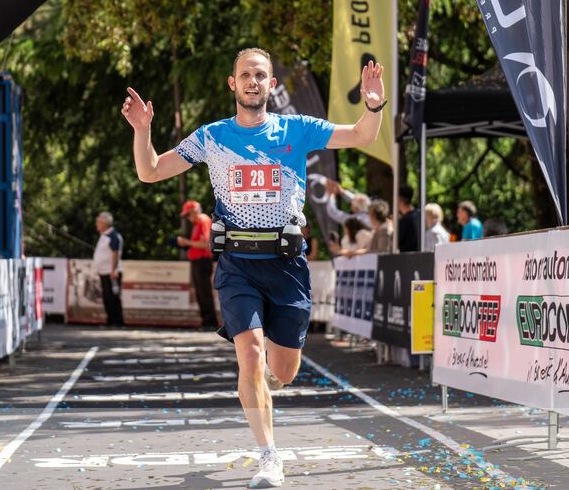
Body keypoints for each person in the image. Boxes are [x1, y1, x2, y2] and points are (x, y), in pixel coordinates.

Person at [122, 47, 385, 488]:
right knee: (249, 353)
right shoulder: (212, 137)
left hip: (286, 266)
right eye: (245, 74)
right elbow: (149, 171)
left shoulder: (297, 129)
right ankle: (269, 456)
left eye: (260, 75)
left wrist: (373, 105)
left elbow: (362, 136)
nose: (252, 81)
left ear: (271, 85)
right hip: (237, 265)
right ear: (233, 83)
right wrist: (143, 131)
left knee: (284, 371)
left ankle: (267, 378)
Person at [177, 199, 218, 330]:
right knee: (200, 292)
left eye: (188, 215)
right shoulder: (197, 223)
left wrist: (186, 242)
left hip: (202, 260)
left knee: (204, 292)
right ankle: (206, 321)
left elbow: (206, 244)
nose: (188, 218)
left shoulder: (203, 220)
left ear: (194, 211)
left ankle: (210, 322)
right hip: (198, 261)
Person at [93, 211, 124, 327]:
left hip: (111, 272)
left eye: (98, 222)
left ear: (104, 223)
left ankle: (117, 321)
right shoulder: (104, 236)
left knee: (113, 297)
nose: (97, 224)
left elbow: (115, 253)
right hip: (104, 272)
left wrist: (114, 270)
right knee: (107, 297)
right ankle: (110, 320)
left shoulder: (113, 236)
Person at [396, 185, 422, 253]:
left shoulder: (404, 220)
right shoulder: (419, 215)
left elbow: (396, 242)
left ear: (400, 199)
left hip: (406, 257)